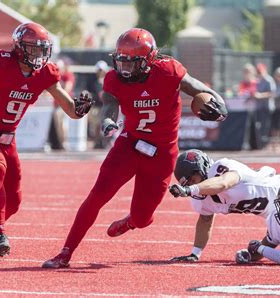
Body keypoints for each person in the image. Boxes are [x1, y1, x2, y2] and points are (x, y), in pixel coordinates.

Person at [42, 27, 228, 268]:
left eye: (132, 63)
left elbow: (200, 89)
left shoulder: (169, 70)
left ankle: (131, 222)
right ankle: (65, 252)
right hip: (130, 145)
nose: (125, 68)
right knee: (96, 196)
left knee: (142, 218)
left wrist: (219, 104)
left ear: (149, 60)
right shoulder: (113, 78)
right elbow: (110, 105)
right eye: (121, 62)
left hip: (161, 153)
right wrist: (107, 121)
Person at [0, 22, 94, 257]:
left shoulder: (45, 73)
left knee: (13, 202)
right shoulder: (0, 64)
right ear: (19, 48)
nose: (39, 54)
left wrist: (81, 109)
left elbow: (70, 110)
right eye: (34, 48)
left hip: (8, 139)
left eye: (42, 49)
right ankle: (0, 233)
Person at [168, 102, 280, 262]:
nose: (191, 185)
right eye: (187, 183)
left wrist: (190, 189)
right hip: (276, 212)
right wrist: (195, 253)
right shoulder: (201, 199)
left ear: (201, 169)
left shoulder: (221, 167)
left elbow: (224, 183)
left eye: (192, 179)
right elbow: (205, 221)